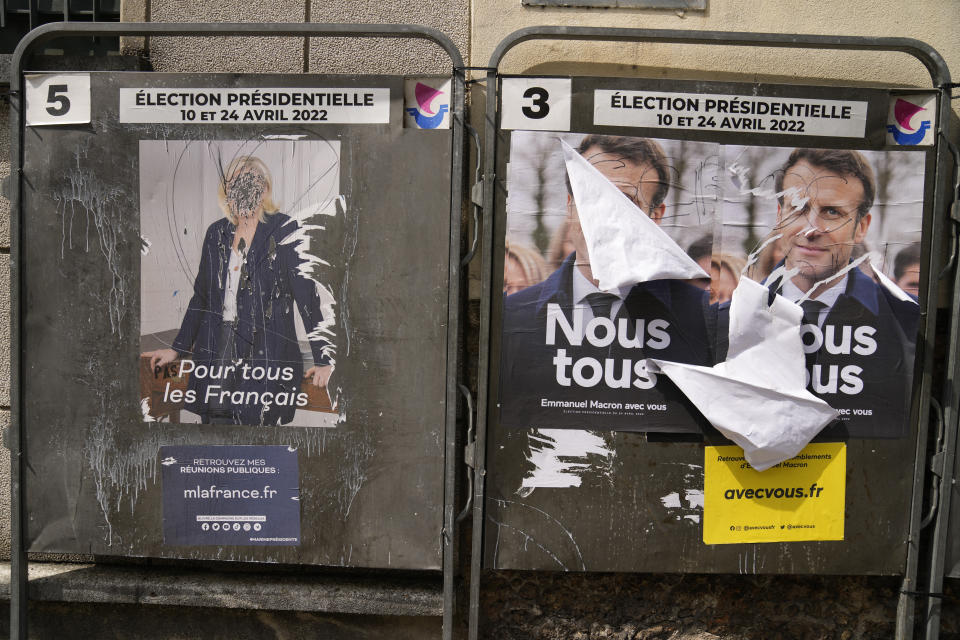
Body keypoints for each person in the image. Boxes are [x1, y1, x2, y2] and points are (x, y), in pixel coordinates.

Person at [499, 134, 712, 433]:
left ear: (656, 217)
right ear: (570, 206)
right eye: (592, 197)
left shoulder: (703, 321)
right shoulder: (512, 318)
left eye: (626, 202)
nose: (606, 219)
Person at [724, 148, 919, 439]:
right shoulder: (728, 318)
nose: (810, 229)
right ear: (780, 215)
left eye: (831, 212)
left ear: (860, 228)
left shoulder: (907, 322)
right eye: (798, 208)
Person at [142, 156, 334, 425]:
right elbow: (202, 297)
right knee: (218, 427)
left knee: (255, 429)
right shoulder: (215, 234)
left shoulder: (286, 230)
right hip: (219, 344)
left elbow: (307, 300)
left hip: (265, 348)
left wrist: (324, 358)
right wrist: (177, 349)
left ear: (264, 190)